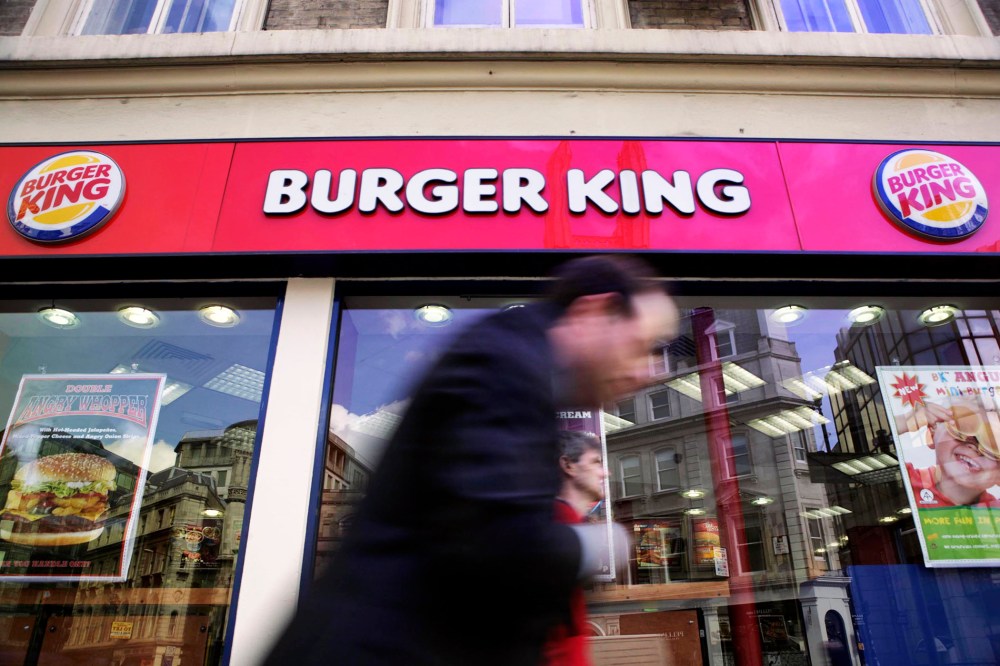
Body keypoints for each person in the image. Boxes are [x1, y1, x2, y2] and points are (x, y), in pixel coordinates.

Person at [263, 255, 679, 666]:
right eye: (642, 346)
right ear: (598, 309)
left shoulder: (526, 370)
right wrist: (607, 544)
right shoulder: (503, 361)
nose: (649, 371)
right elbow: (498, 546)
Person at [542, 431, 606, 666]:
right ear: (568, 465)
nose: (604, 472)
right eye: (596, 462)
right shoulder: (559, 529)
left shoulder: (568, 526)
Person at [895, 398, 1000, 507]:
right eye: (960, 427)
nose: (974, 447)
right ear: (932, 435)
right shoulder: (905, 480)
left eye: (994, 443)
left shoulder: (996, 510)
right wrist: (904, 421)